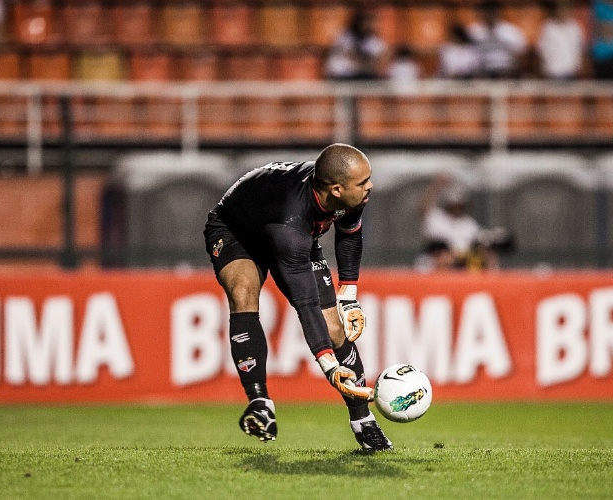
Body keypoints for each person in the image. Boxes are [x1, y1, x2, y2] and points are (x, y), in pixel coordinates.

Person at [203, 144, 391, 451]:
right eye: (363, 182)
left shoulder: (350, 192)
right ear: (337, 189)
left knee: (335, 328)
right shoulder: (291, 229)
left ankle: (363, 421)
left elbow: (348, 233)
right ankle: (260, 403)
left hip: (285, 223)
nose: (370, 186)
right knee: (243, 293)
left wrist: (349, 296)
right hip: (237, 231)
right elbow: (306, 304)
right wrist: (328, 365)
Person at [419, 175, 510, 271]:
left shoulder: (469, 224)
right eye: (454, 204)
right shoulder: (437, 218)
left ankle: (492, 284)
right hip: (432, 264)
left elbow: (474, 247)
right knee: (442, 256)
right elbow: (423, 208)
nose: (457, 207)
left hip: (460, 264)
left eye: (460, 204)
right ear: (448, 203)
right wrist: (436, 186)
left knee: (488, 255)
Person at [466, 1, 528, 79]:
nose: (489, 15)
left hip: (506, 71)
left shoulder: (511, 31)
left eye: (492, 12)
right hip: (481, 73)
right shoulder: (473, 31)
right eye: (486, 12)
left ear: (498, 13)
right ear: (481, 13)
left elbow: (521, 54)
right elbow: (466, 55)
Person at [323, 10, 387, 80]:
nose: (369, 25)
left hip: (360, 75)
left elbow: (385, 54)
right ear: (359, 23)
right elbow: (352, 56)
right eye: (366, 22)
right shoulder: (344, 35)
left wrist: (374, 62)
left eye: (371, 23)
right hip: (340, 76)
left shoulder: (369, 37)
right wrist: (369, 62)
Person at [536, 0, 586, 81]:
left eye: (566, 8)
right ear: (556, 10)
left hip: (573, 73)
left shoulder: (575, 27)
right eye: (561, 9)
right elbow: (541, 51)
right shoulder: (547, 27)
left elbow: (581, 48)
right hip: (553, 74)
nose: (564, 11)